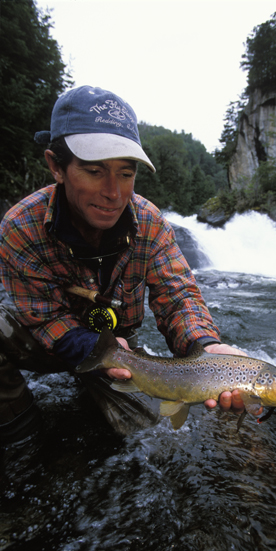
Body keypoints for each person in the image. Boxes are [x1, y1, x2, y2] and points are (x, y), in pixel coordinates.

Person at [0, 85, 251, 445]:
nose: (114, 193)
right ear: (57, 166)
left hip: (123, 351)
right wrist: (90, 348)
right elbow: (44, 318)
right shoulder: (19, 227)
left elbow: (177, 294)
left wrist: (204, 347)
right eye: (94, 171)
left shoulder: (149, 221)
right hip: (47, 338)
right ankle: (22, 436)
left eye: (126, 173)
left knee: (143, 441)